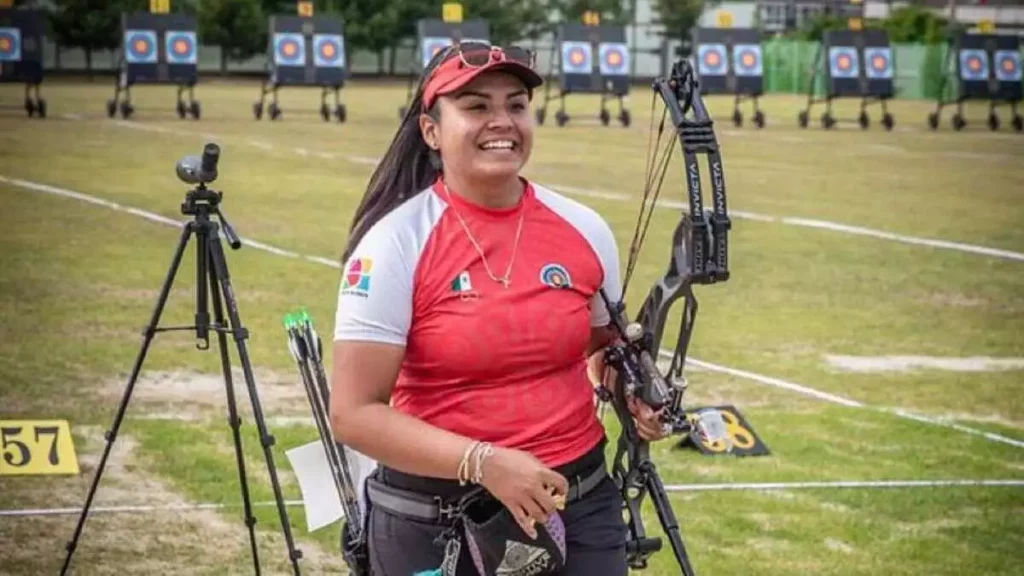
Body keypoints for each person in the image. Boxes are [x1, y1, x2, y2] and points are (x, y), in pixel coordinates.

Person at [329, 41, 667, 576]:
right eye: (476, 106)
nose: (502, 121)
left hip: (578, 503)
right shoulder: (394, 243)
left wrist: (634, 393)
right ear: (431, 130)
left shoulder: (583, 228)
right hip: (440, 518)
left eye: (515, 104)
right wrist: (484, 463)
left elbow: (602, 348)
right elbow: (353, 414)